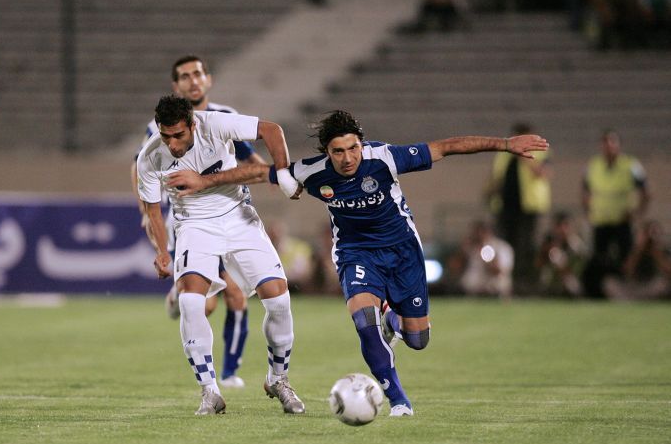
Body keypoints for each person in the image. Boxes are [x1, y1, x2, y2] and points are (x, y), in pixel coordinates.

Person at [166, 110, 548, 416]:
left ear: (361, 144)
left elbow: (446, 147)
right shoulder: (313, 172)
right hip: (355, 253)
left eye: (353, 148)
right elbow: (257, 172)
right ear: (327, 152)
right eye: (338, 151)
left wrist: (505, 144)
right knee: (364, 323)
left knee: (418, 340)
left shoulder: (385, 158)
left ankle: (393, 321)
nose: (348, 158)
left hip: (403, 253)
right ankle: (398, 400)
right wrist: (204, 181)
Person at [136, 95, 304, 416]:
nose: (172, 144)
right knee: (190, 301)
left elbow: (272, 130)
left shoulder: (215, 125)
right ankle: (210, 391)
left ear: (193, 125)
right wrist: (161, 251)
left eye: (178, 135)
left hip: (238, 215)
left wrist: (283, 172)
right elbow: (153, 210)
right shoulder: (151, 156)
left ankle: (278, 379)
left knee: (279, 300)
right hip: (194, 224)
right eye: (166, 136)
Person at [131, 55, 271, 389]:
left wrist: (268, 173)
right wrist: (146, 212)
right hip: (190, 220)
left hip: (229, 215)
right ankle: (179, 297)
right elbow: (140, 168)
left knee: (237, 294)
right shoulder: (158, 128)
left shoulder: (225, 118)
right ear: (175, 85)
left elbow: (250, 158)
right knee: (204, 305)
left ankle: (230, 373)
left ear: (208, 79)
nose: (193, 81)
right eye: (185, 76)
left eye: (197, 74)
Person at [581, 129, 650, 297]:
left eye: (612, 142)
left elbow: (646, 191)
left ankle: (628, 292)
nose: (608, 146)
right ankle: (599, 292)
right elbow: (585, 191)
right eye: (605, 142)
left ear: (618, 145)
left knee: (626, 258)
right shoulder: (593, 165)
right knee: (599, 259)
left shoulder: (630, 164)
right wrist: (588, 211)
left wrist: (637, 213)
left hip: (622, 221)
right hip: (601, 220)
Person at [486, 122, 551, 295]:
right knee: (506, 247)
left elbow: (543, 173)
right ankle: (506, 284)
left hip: (528, 208)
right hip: (506, 209)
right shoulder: (504, 154)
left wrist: (524, 156)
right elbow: (497, 178)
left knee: (526, 247)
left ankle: (525, 284)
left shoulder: (540, 151)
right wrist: (490, 193)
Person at [604, 220, 671, 300]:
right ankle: (633, 300)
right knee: (609, 282)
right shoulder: (631, 249)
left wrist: (656, 252)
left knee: (663, 284)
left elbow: (669, 272)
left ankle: (633, 301)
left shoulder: (663, 251)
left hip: (652, 286)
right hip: (634, 286)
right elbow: (627, 272)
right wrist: (639, 250)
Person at [457, 220, 515, 298]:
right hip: (471, 291)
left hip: (495, 291)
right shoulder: (471, 247)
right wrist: (462, 252)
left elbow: (498, 272)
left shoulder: (501, 247)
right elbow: (455, 269)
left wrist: (486, 253)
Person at [535, 211, 588, 297]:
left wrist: (562, 263)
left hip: (570, 279)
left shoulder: (576, 245)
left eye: (565, 225)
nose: (562, 229)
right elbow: (538, 264)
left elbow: (579, 269)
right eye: (559, 226)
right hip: (551, 280)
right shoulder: (549, 241)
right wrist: (546, 252)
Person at [266, 220, 314, 293]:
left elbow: (301, 271)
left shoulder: (297, 247)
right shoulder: (266, 249)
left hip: (294, 285)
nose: (273, 238)